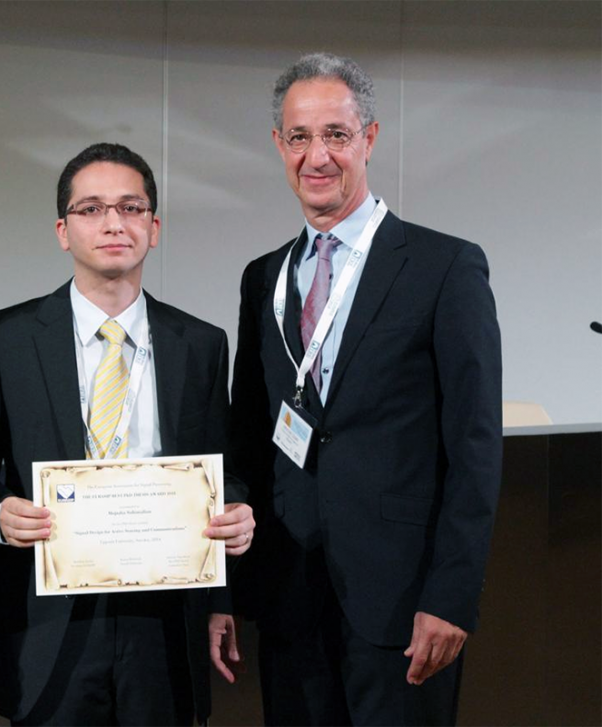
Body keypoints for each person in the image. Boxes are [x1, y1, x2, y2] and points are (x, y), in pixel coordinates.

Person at [227, 52, 502, 726]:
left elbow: (475, 447)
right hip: (290, 598)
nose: (316, 156)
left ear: (369, 139)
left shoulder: (445, 267)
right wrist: (231, 589)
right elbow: (249, 436)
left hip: (404, 605)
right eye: (298, 137)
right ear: (278, 146)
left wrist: (452, 595)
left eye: (336, 135)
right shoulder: (263, 277)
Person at [0, 142, 256, 727]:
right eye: (91, 209)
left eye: (131, 208)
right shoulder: (5, 338)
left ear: (154, 227)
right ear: (63, 231)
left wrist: (235, 518)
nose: (114, 222)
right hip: (46, 619)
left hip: (164, 619)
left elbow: (226, 471)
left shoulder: (202, 344)